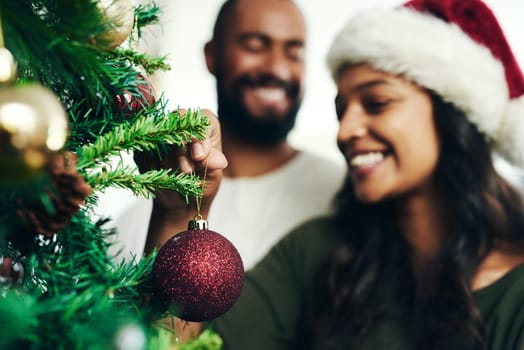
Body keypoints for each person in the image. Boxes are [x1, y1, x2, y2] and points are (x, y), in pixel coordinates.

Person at [165, 0, 524, 348]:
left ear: (454, 116)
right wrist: (176, 210)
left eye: (376, 103)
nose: (345, 131)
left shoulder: (514, 292)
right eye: (341, 110)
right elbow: (176, 344)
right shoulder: (317, 252)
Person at [106, 0, 345, 269]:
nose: (277, 68)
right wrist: (171, 216)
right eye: (254, 46)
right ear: (212, 56)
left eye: (294, 52)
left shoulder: (342, 196)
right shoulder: (142, 220)